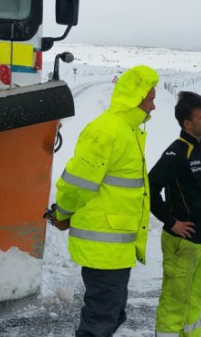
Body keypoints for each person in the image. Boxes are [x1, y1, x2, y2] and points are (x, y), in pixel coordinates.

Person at [47, 64, 159, 337]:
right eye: (151, 99)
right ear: (135, 98)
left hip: (117, 248)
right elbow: (77, 183)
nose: (154, 107)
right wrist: (61, 212)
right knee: (99, 323)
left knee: (112, 315)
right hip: (103, 249)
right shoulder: (107, 131)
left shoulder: (128, 131)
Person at [148, 91, 201, 337]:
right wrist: (171, 222)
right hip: (180, 243)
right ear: (187, 124)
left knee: (195, 298)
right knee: (174, 302)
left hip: (200, 242)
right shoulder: (177, 152)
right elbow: (150, 188)